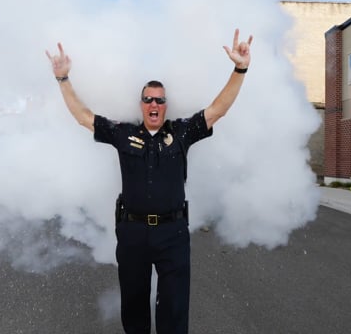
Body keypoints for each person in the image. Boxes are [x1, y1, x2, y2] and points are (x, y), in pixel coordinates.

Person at [46, 29, 252, 334]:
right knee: (134, 306)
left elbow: (218, 109)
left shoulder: (182, 131)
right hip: (132, 233)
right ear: (141, 104)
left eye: (159, 100)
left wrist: (240, 69)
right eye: (148, 100)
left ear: (166, 104)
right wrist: (63, 79)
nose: (153, 105)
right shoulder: (123, 132)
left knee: (174, 307)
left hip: (173, 233)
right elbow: (83, 117)